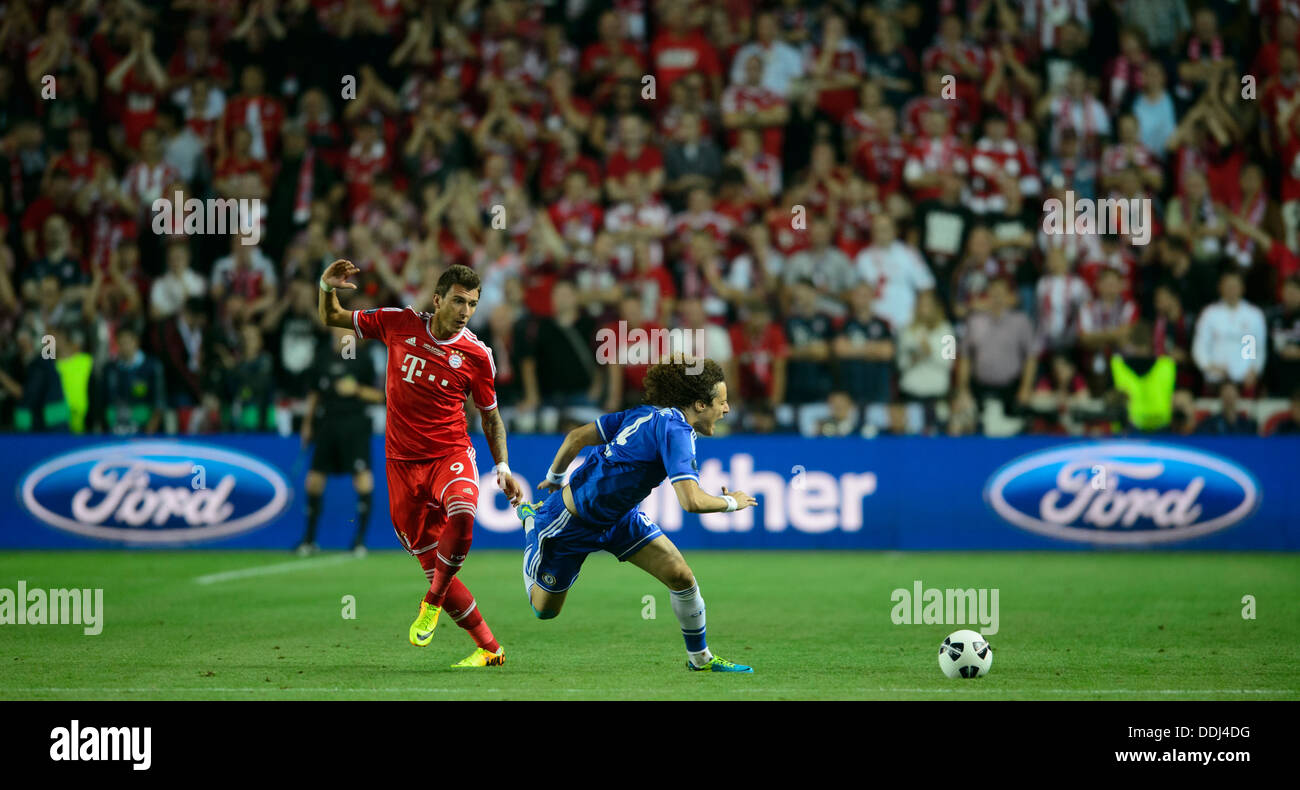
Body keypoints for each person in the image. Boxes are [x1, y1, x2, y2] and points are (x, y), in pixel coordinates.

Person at [318, 259, 523, 669]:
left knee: (464, 514)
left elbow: (490, 416)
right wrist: (326, 286)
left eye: (473, 304)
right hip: (400, 467)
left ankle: (431, 603)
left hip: (449, 456)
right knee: (434, 566)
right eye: (459, 301)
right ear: (438, 299)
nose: (466, 311)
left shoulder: (477, 355)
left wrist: (502, 465)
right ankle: (489, 648)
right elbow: (333, 317)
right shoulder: (399, 323)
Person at [516, 358, 759, 673]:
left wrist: (555, 476)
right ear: (700, 404)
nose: (727, 410)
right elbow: (691, 502)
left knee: (681, 577)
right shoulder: (675, 429)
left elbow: (576, 437)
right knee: (544, 611)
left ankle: (701, 659)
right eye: (722, 402)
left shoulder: (646, 414)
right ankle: (534, 524)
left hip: (619, 519)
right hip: (572, 522)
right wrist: (731, 502)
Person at [296, 326, 383, 557]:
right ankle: (309, 539)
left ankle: (360, 541)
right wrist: (307, 424)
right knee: (314, 480)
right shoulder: (322, 357)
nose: (345, 334)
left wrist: (356, 389)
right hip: (327, 424)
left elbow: (379, 396)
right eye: (340, 328)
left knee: (362, 479)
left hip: (355, 425)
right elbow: (314, 394)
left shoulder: (363, 360)